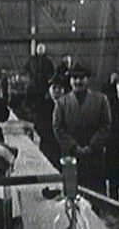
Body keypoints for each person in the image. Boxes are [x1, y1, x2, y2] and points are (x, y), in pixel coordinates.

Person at [53, 63, 111, 194]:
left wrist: (91, 146)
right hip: (71, 157)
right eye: (74, 78)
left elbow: (106, 126)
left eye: (81, 78)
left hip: (94, 158)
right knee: (72, 196)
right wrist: (74, 147)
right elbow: (57, 127)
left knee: (96, 198)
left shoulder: (101, 100)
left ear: (88, 80)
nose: (78, 81)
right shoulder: (61, 103)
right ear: (70, 80)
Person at [35, 73, 64, 170]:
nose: (57, 91)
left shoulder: (68, 106)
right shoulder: (43, 105)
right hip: (48, 146)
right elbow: (38, 127)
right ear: (50, 89)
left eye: (60, 88)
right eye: (54, 88)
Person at [24, 43, 54, 109]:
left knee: (43, 101)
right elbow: (25, 69)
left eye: (41, 48)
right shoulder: (32, 60)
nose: (40, 50)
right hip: (34, 83)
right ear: (37, 50)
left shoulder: (48, 61)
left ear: (44, 50)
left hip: (44, 84)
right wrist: (30, 76)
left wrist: (49, 79)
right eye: (39, 48)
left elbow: (52, 72)